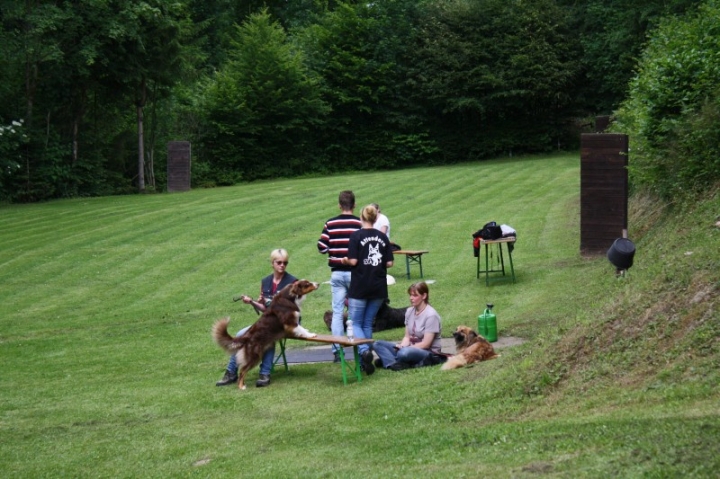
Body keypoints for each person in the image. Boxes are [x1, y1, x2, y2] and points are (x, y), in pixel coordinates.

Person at [216, 248, 297, 388]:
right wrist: (252, 302)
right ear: (272, 263)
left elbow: (292, 309)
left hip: (286, 324)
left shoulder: (292, 282)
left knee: (267, 337)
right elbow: (265, 309)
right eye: (279, 262)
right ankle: (231, 372)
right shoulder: (265, 282)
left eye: (285, 263)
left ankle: (264, 373)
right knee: (242, 333)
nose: (282, 265)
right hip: (269, 322)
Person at [342, 204, 394, 375]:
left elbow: (354, 261)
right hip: (378, 287)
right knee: (367, 322)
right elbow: (389, 263)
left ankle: (364, 350)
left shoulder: (356, 236)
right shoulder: (383, 237)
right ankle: (366, 360)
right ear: (375, 218)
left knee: (355, 321)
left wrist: (345, 261)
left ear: (361, 217)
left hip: (361, 285)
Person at [317, 190, 362, 362]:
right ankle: (358, 347)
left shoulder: (331, 223)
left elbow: (321, 247)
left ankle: (337, 351)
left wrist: (334, 249)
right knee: (355, 311)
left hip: (336, 273)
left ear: (339, 205)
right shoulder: (359, 223)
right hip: (354, 273)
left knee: (337, 312)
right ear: (354, 204)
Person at [373, 281, 442, 371]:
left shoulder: (431, 315)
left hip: (427, 352)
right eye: (410, 295)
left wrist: (405, 348)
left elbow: (426, 344)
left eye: (415, 295)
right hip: (409, 348)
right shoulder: (409, 311)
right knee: (377, 344)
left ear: (424, 296)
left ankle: (389, 360)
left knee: (404, 353)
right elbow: (407, 337)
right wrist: (401, 346)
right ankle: (393, 364)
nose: (411, 298)